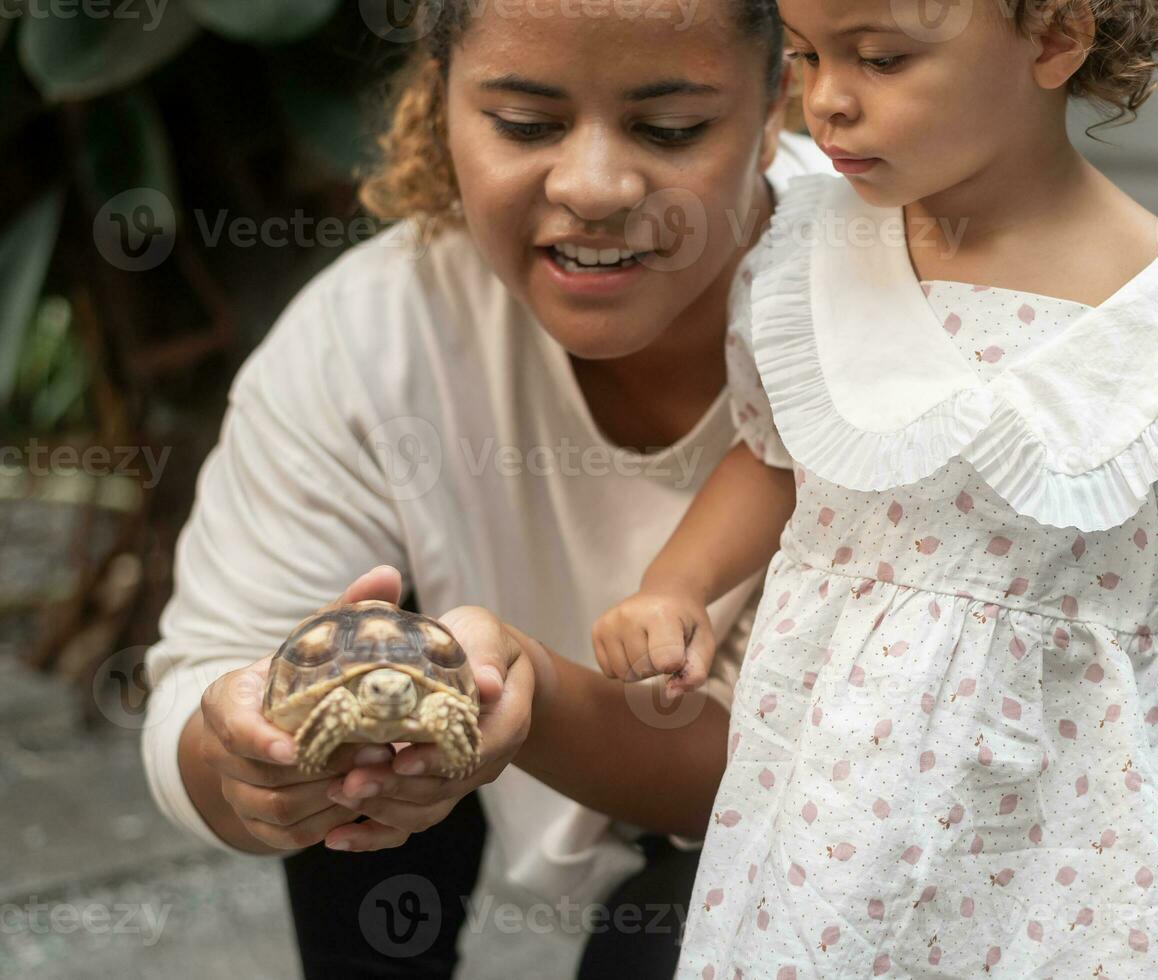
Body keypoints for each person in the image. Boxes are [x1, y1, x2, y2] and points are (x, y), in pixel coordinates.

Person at [591, 0, 1158, 976]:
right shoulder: (812, 254)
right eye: (805, 56)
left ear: (1052, 39)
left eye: (879, 57)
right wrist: (675, 584)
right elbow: (777, 456)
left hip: (1071, 784)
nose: (826, 101)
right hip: (841, 763)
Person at [139, 1, 829, 976]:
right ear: (440, 103)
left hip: (808, 829)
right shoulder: (366, 336)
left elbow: (800, 778)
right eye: (526, 123)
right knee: (354, 707)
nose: (594, 187)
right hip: (433, 786)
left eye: (670, 129)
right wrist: (250, 764)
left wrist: (531, 694)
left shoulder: (882, 307)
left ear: (775, 108)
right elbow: (200, 683)